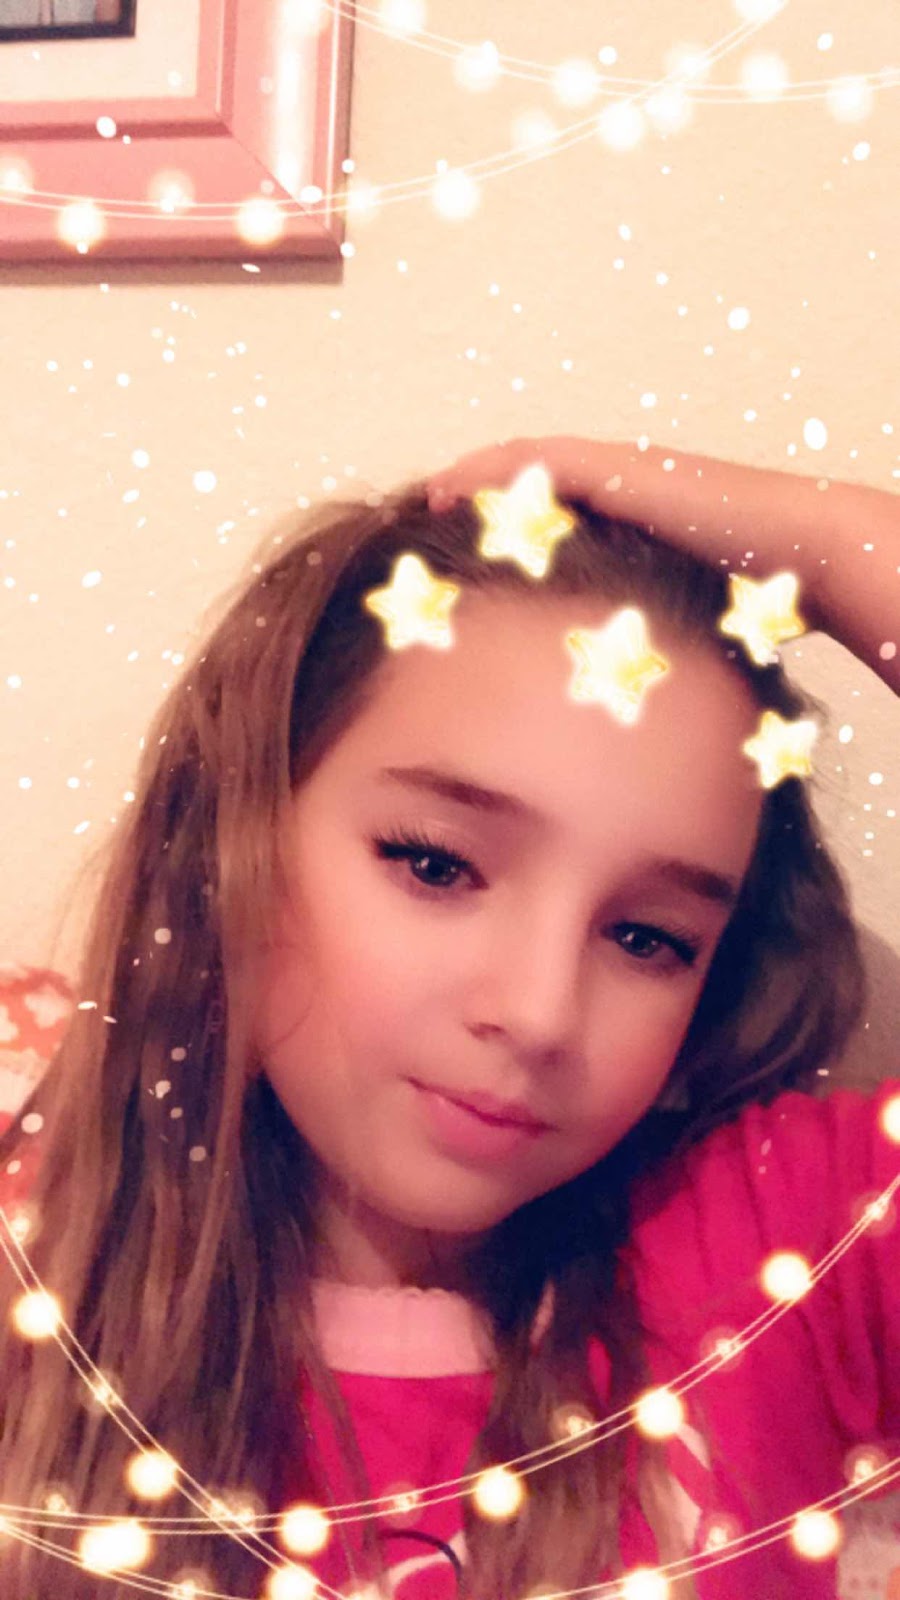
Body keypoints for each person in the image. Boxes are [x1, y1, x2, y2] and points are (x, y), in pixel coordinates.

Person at [0, 436, 897, 1600]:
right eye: (434, 863)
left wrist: (831, 545)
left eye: (648, 938)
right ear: (232, 839)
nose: (538, 1012)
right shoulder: (38, 1276)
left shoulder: (785, 1257)